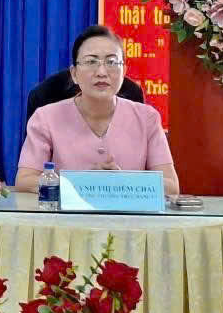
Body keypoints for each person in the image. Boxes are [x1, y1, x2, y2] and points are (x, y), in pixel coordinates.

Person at [15, 25, 180, 195]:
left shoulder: (147, 118)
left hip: (127, 212)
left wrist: (123, 182)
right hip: (65, 212)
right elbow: (24, 180)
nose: (101, 72)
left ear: (124, 71)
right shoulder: (45, 118)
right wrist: (83, 183)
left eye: (111, 62)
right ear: (74, 74)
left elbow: (171, 186)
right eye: (91, 62)